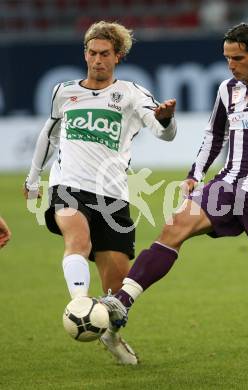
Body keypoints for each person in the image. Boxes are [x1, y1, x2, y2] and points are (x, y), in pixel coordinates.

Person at [102, 22, 248, 369]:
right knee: (174, 228)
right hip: (228, 184)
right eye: (227, 58)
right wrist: (194, 176)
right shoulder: (227, 89)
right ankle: (122, 301)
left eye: (238, 58)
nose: (231, 65)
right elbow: (213, 136)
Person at [23, 21, 177, 365]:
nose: (97, 60)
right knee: (76, 239)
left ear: (117, 57)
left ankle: (110, 334)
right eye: (92, 53)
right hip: (68, 185)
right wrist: (34, 178)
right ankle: (79, 303)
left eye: (105, 54)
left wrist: (166, 119)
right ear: (85, 54)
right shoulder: (64, 92)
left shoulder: (132, 94)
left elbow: (163, 132)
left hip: (112, 195)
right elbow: (49, 136)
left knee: (116, 292)